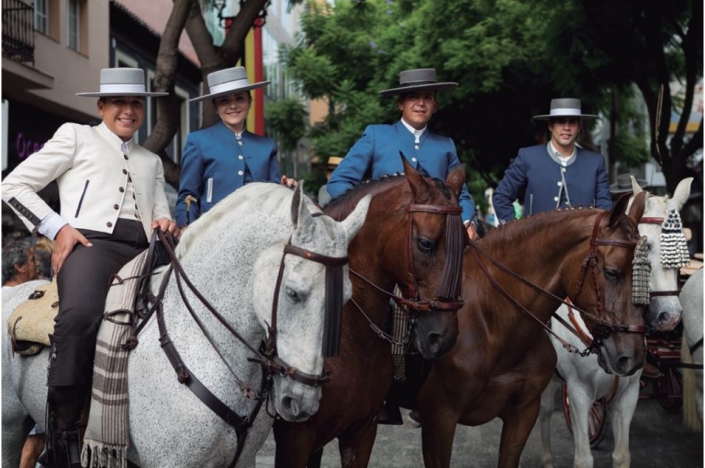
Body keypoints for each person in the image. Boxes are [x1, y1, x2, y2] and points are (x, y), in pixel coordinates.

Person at [1, 67, 178, 468]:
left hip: (148, 251)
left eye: (135, 103)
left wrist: (164, 224)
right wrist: (58, 227)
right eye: (119, 102)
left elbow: (161, 213)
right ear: (101, 106)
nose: (128, 110)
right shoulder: (76, 136)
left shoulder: (152, 160)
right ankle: (61, 431)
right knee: (79, 316)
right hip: (90, 245)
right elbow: (11, 185)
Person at [327, 68, 478, 240]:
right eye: (413, 96)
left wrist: (468, 223)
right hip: (382, 240)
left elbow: (461, 195)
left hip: (435, 242)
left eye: (427, 97)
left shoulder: (446, 145)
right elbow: (338, 182)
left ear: (435, 106)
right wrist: (369, 213)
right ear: (401, 103)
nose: (421, 103)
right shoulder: (376, 135)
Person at [175, 66, 295, 228]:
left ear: (249, 102)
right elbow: (188, 195)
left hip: (259, 228)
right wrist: (186, 228)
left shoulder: (267, 146)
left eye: (239, 98)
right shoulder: (198, 141)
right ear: (216, 107)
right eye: (224, 100)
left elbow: (274, 195)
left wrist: (286, 188)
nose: (233, 105)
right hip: (213, 229)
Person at [492, 98, 612, 223]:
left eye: (572, 122)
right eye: (561, 122)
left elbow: (604, 207)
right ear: (550, 125)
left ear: (579, 127)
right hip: (536, 241)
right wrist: (516, 232)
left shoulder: (595, 162)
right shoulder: (528, 157)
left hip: (583, 241)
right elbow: (501, 197)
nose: (567, 127)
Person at [1, 241, 46, 468]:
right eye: (30, 261)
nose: (36, 266)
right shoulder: (22, 301)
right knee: (34, 441)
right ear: (19, 267)